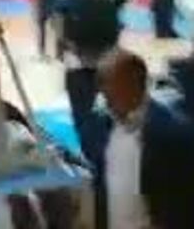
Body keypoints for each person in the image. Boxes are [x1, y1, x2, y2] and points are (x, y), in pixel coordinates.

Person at [66, 48, 194, 229]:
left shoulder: (174, 133)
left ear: (135, 84)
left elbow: (183, 202)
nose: (104, 92)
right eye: (102, 84)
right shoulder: (101, 126)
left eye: (110, 84)